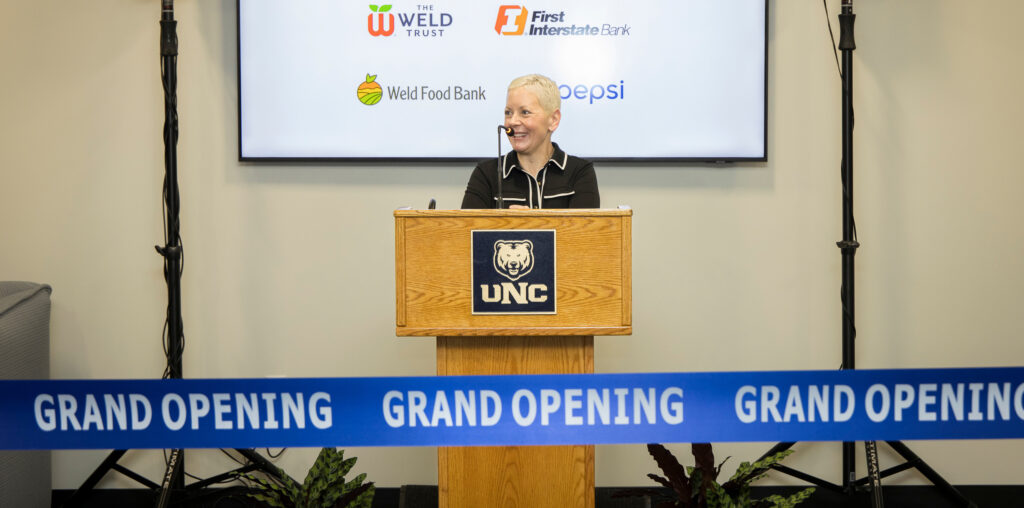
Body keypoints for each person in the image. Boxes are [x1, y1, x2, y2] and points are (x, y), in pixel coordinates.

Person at [461, 74, 600, 209]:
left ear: (553, 120)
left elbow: (583, 232)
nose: (513, 121)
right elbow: (467, 231)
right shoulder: (485, 174)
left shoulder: (580, 172)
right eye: (508, 113)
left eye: (525, 112)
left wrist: (527, 224)